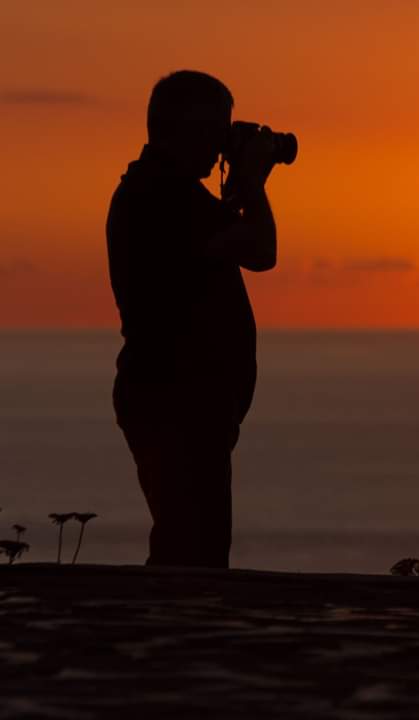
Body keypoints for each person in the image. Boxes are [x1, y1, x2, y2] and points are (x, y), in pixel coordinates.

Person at [106, 70, 278, 567]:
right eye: (216, 130)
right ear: (187, 128)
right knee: (193, 551)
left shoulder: (164, 191)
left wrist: (241, 186)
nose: (222, 142)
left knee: (189, 541)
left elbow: (229, 240)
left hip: (178, 396)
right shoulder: (164, 196)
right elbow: (260, 250)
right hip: (176, 398)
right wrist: (252, 184)